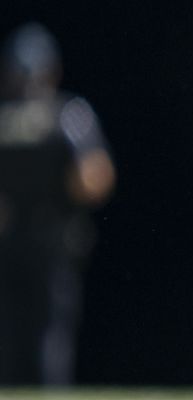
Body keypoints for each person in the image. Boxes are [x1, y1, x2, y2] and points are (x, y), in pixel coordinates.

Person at [0, 22, 115, 386]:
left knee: (20, 332)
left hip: (19, 237)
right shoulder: (65, 112)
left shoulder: (8, 118)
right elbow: (94, 179)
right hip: (49, 238)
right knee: (49, 333)